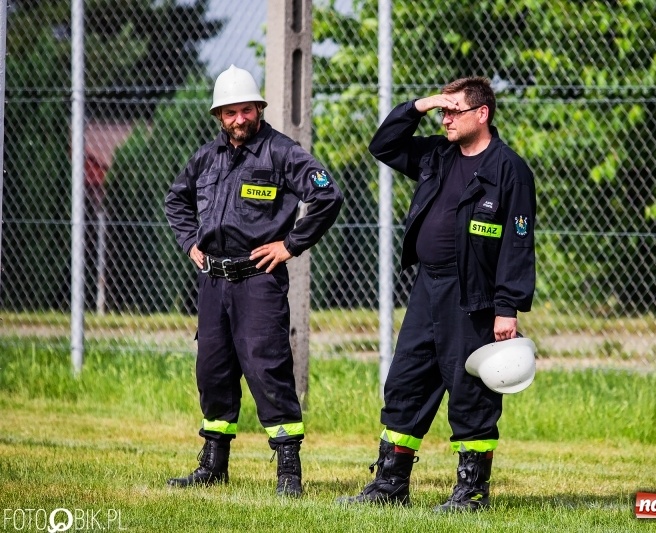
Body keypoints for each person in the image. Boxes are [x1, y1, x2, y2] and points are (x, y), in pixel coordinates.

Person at [338, 76, 536, 512]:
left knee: (470, 392)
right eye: (442, 111)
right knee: (406, 380)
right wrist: (422, 104)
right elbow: (384, 144)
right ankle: (390, 485)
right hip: (427, 287)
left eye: (454, 110)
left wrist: (508, 308)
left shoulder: (510, 171)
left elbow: (517, 246)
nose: (446, 118)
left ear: (481, 114)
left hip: (473, 295)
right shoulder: (436, 155)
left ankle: (472, 493)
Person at [164, 65, 343, 497]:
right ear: (218, 117)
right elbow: (176, 199)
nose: (239, 119)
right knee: (213, 371)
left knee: (268, 368)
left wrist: (290, 245)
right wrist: (191, 242)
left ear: (258, 109)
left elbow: (327, 195)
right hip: (213, 282)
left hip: (258, 281)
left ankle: (288, 473)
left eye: (246, 109)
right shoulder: (206, 158)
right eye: (230, 112)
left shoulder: (282, 153)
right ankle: (213, 465)